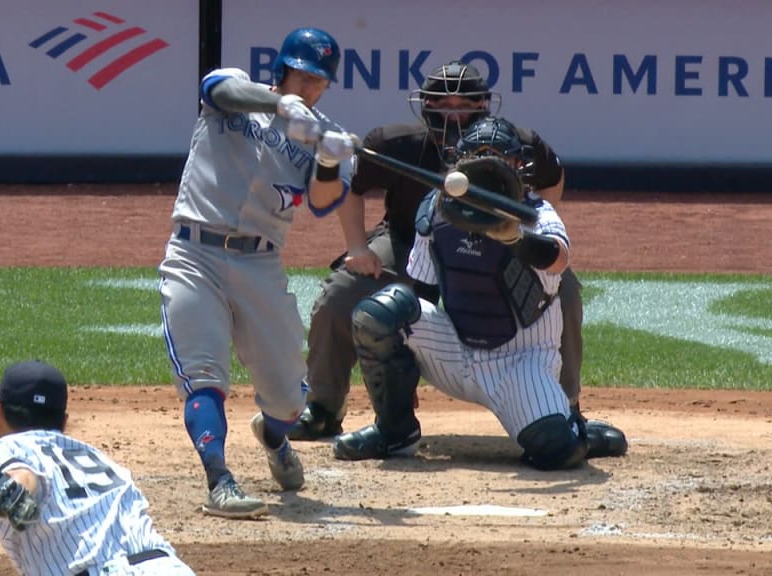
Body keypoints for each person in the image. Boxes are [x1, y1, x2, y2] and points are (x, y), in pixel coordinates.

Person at [290, 60, 626, 460]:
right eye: (442, 102)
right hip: (410, 250)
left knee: (563, 297)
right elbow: (419, 292)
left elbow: (555, 245)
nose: (453, 112)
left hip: (516, 327)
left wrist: (520, 238)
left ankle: (566, 413)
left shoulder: (529, 180)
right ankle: (362, 419)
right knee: (366, 303)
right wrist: (400, 365)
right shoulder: (412, 169)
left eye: (463, 103)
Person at [333, 116, 611, 469]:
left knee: (555, 450)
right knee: (383, 313)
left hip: (521, 362)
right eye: (477, 155)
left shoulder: (537, 213)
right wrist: (402, 376)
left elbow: (557, 259)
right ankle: (394, 431)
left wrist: (515, 237)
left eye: (497, 156)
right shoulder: (435, 208)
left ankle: (578, 431)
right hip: (457, 352)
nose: (488, 164)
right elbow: (421, 294)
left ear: (518, 166)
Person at [157, 27, 356, 519]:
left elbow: (324, 202)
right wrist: (279, 107)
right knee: (204, 374)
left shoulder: (319, 132)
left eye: (319, 83)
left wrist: (328, 160)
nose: (310, 89)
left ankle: (273, 435)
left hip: (260, 263)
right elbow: (217, 90)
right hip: (194, 254)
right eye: (304, 76)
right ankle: (219, 479)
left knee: (290, 400)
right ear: (284, 68)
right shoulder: (237, 91)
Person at [0, 360, 195, 575]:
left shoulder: (4, 448)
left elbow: (24, 476)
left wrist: (11, 490)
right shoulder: (97, 456)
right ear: (64, 421)